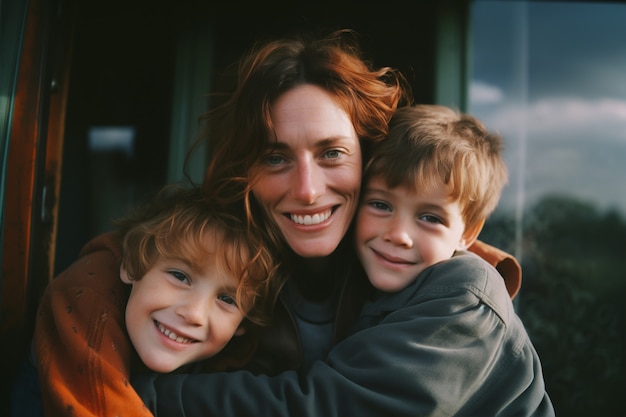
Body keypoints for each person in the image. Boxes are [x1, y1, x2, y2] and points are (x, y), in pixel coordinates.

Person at [32, 29, 522, 416]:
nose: (307, 189)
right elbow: (126, 270)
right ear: (244, 170)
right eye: (275, 156)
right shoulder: (227, 256)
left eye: (332, 153)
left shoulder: (441, 279)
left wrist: (156, 398)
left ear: (368, 161)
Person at [26, 186, 279, 417]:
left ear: (243, 324)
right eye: (180, 276)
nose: (194, 314)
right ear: (131, 265)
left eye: (227, 299)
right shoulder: (85, 301)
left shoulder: (232, 367)